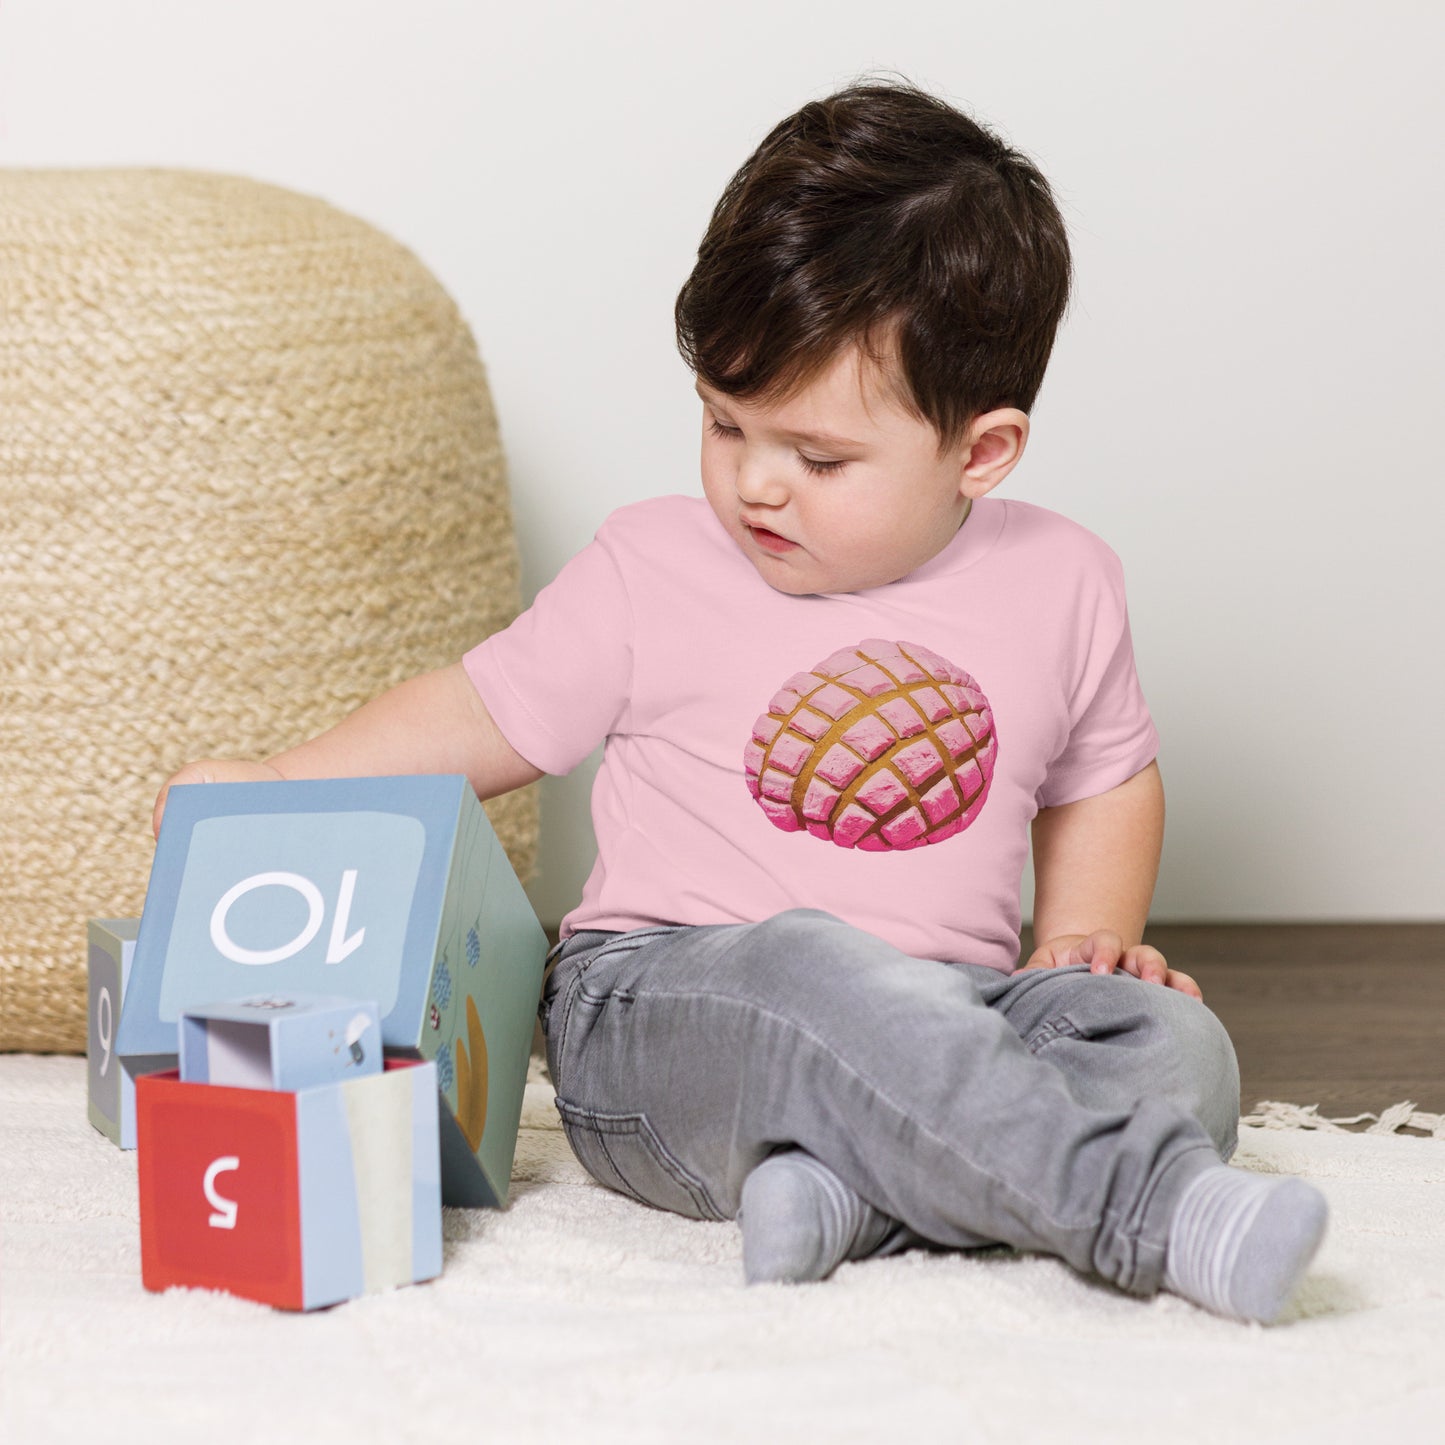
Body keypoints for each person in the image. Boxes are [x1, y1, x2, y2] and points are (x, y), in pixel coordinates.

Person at [154, 77, 1328, 1324]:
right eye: (724, 423)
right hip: (666, 1006)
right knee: (807, 961)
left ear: (979, 452)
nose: (755, 484)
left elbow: (1103, 772)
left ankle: (852, 1197)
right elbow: (477, 712)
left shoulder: (1063, 579)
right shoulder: (648, 566)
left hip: (956, 1007)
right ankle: (1134, 1207)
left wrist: (1076, 944)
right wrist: (279, 786)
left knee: (1172, 1044)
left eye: (817, 457)